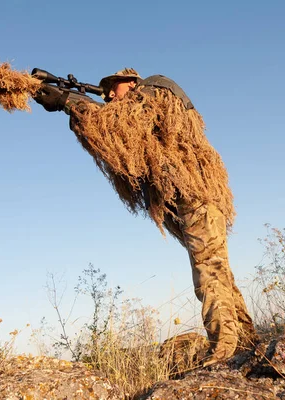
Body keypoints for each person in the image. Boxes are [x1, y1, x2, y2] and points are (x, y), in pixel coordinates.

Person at [33, 68, 258, 365]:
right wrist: (74, 111)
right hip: (186, 201)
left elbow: (127, 126)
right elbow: (118, 151)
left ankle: (224, 350)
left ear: (132, 82)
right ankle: (245, 342)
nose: (111, 94)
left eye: (115, 87)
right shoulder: (139, 101)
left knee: (209, 271)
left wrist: (71, 102)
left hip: (196, 194)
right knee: (217, 269)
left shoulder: (156, 88)